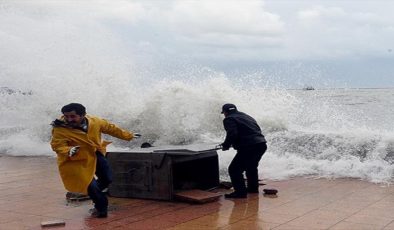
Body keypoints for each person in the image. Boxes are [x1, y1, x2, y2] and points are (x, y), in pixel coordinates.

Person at [50, 103, 140, 218]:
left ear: (83, 115)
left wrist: (129, 135)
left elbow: (111, 128)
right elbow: (57, 145)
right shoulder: (60, 128)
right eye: (66, 116)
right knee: (90, 185)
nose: (69, 119)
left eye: (72, 116)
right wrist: (68, 150)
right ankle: (101, 208)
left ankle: (90, 193)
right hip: (75, 160)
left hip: (94, 153)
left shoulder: (95, 121)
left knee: (107, 178)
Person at [220, 103, 267, 198]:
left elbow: (232, 133)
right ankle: (253, 189)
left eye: (224, 113)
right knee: (251, 167)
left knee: (234, 169)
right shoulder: (247, 116)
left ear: (225, 112)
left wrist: (226, 145)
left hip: (249, 147)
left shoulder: (229, 119)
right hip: (261, 144)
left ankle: (240, 192)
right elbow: (255, 130)